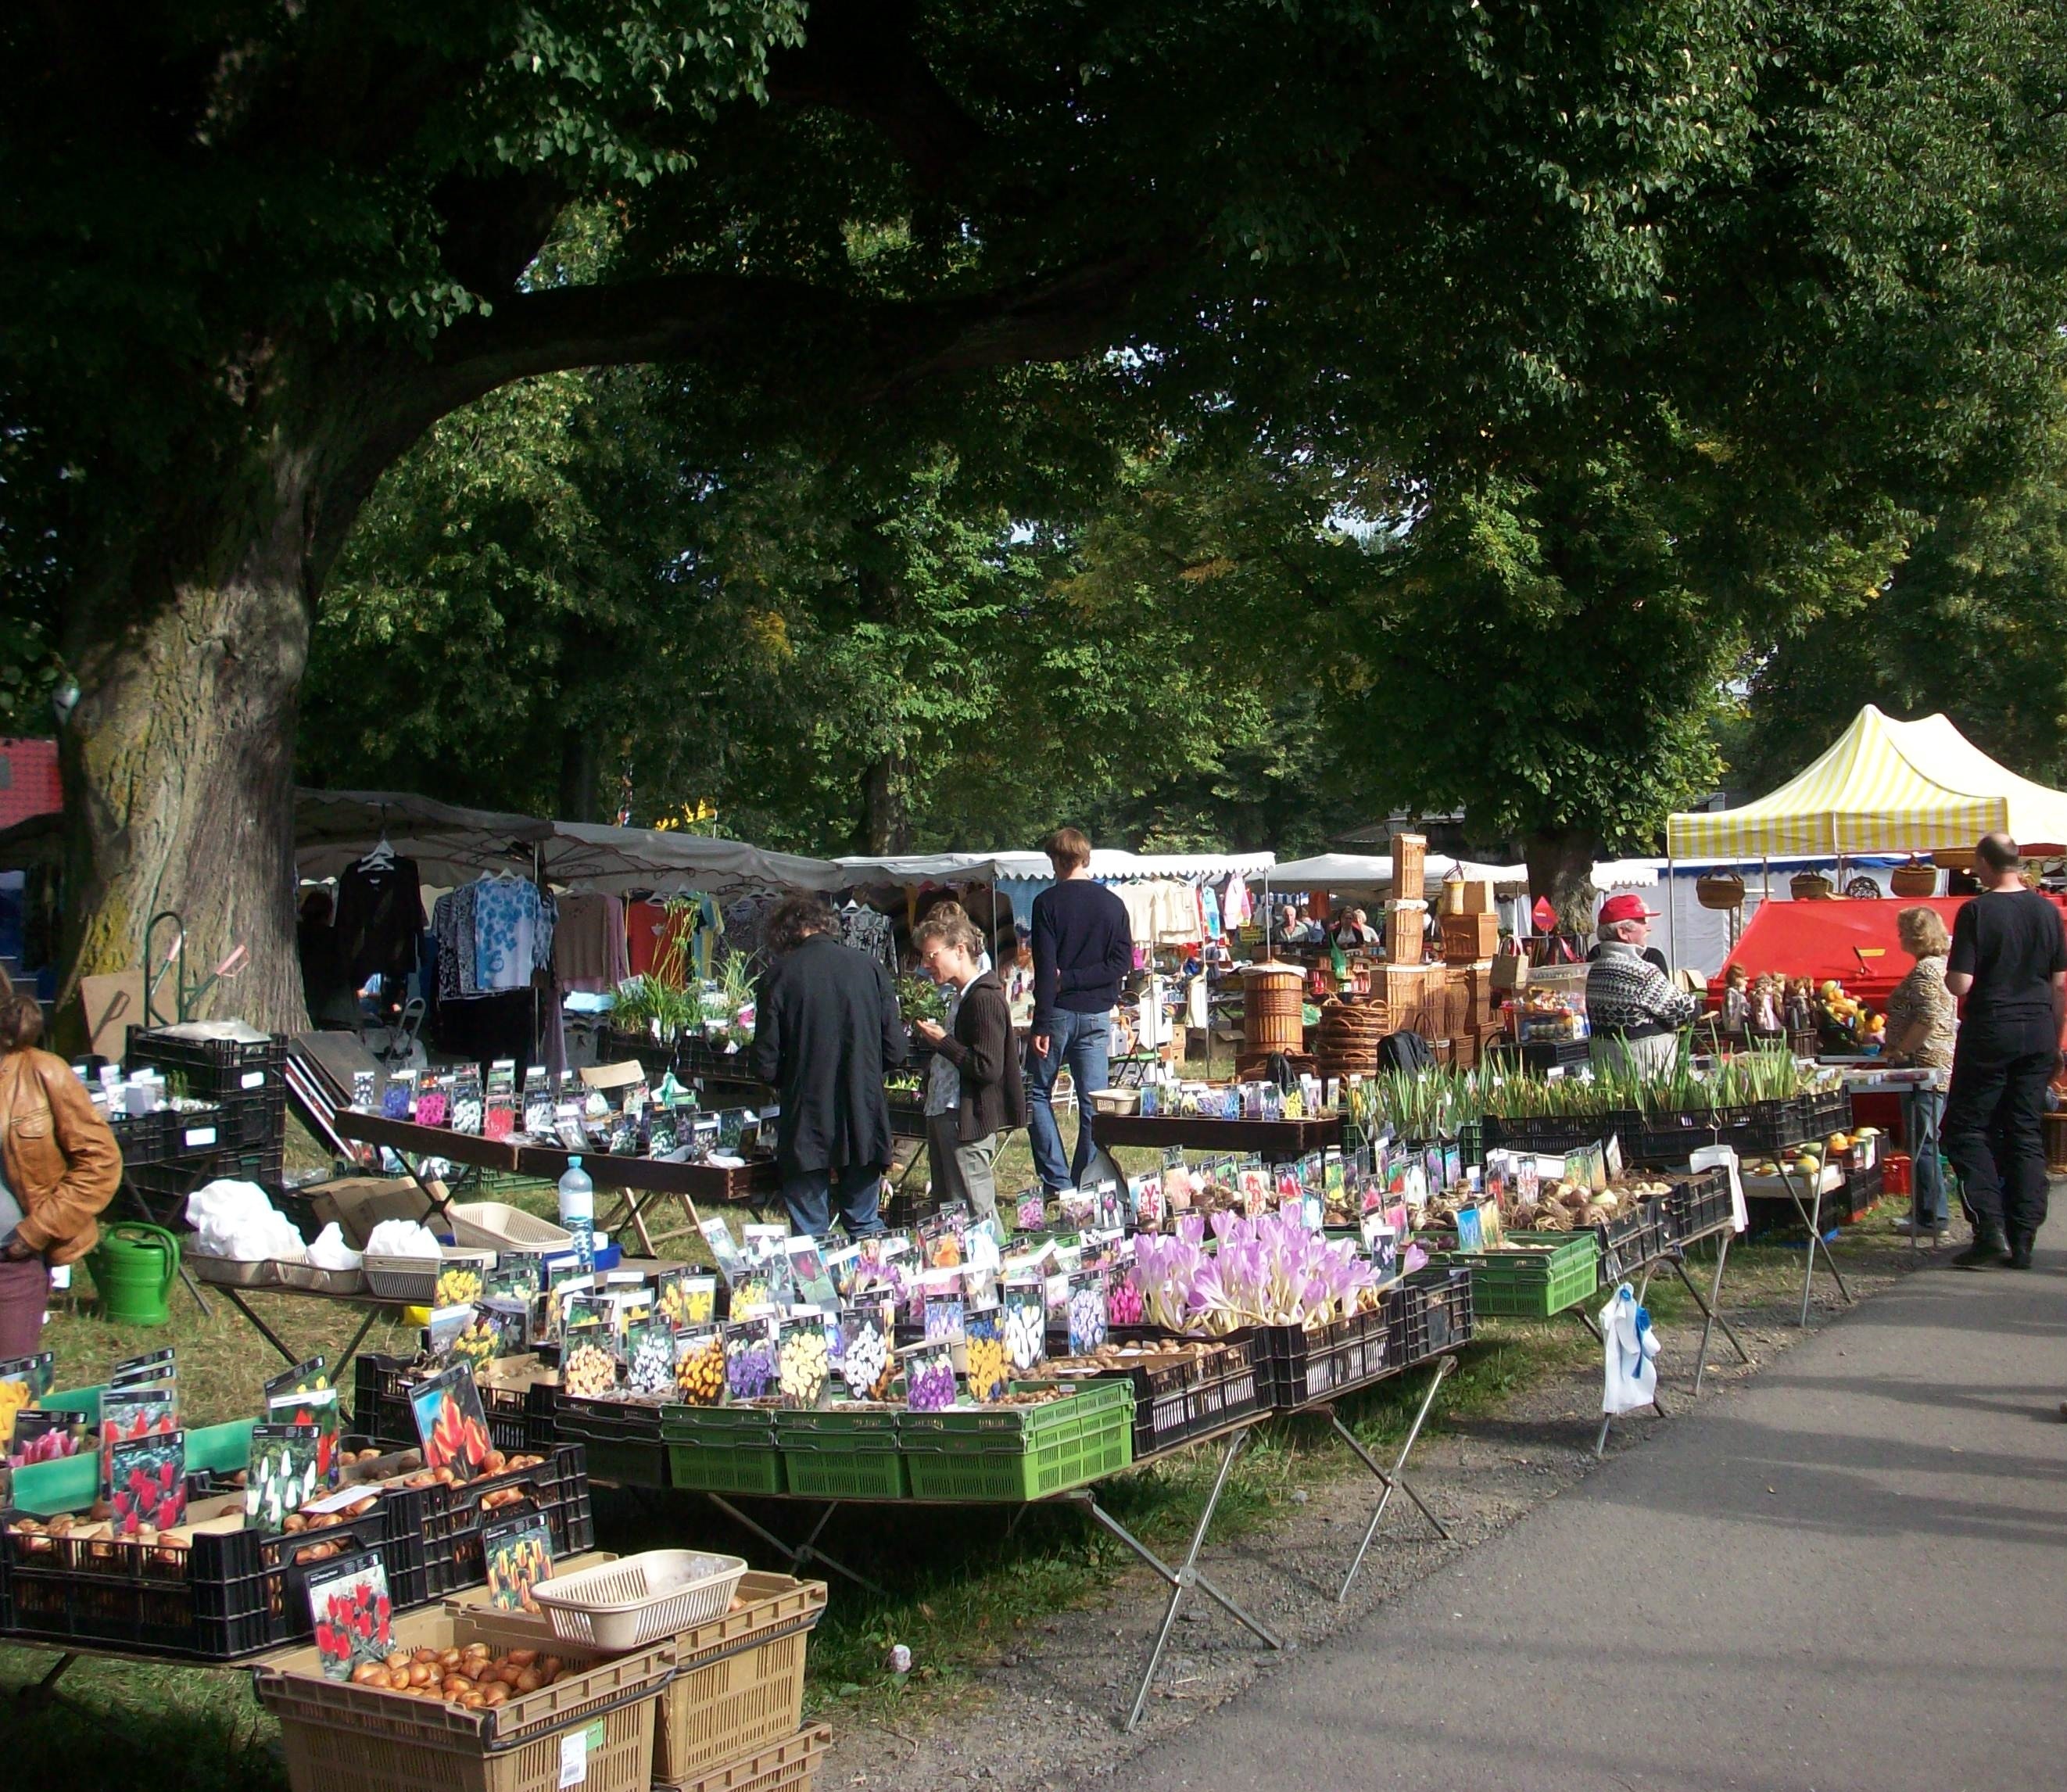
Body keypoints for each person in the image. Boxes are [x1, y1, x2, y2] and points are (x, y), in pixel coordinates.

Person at [1941, 833, 2067, 1270]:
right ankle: (2025, 1234)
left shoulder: (1976, 911)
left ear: (1984, 863)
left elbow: (1961, 983)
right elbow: (2059, 985)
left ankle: (1989, 1228)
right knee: (2025, 1131)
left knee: (1965, 1128)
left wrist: (1949, 971)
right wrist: (2055, 1041)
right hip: (2037, 1029)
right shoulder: (2047, 911)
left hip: (1992, 1028)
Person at [749, 895, 908, 1238]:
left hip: (807, 1114)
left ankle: (815, 1292)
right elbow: (896, 1050)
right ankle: (873, 1287)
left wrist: (793, 1078)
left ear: (789, 932)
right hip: (862, 1112)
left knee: (810, 1233)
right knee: (865, 1224)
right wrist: (863, 1068)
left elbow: (765, 1062)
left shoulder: (779, 975)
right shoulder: (869, 968)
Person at [0, 967, 121, 1355]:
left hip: (10, 1265)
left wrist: (34, 1232)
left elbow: (100, 1162)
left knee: (9, 1398)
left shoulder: (41, 1071)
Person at [1027, 827, 1133, 1193]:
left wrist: (1043, 1015)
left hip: (1056, 1012)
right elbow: (1121, 963)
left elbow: (1045, 969)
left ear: (1057, 860)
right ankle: (1086, 1182)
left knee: (1036, 1093)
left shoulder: (1047, 903)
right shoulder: (1113, 904)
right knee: (1095, 1105)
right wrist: (1077, 979)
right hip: (1096, 1013)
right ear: (1086, 858)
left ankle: (1058, 1182)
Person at [911, 905, 1026, 1231]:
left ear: (959, 950)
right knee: (951, 1212)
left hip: (967, 1120)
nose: (926, 964)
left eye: (931, 955)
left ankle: (998, 1277)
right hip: (947, 1112)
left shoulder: (984, 998)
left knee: (977, 1215)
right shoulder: (962, 996)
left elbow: (988, 1067)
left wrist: (942, 1042)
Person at [1882, 905, 1958, 1238]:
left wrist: (1902, 1049)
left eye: (1902, 932)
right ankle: (1925, 1209)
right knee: (1922, 1139)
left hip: (1924, 1067)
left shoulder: (1927, 971)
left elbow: (1927, 1018)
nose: (1899, 938)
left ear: (1916, 935)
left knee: (1923, 1141)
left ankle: (1932, 1216)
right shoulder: (1938, 967)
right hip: (1928, 1065)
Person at [1585, 893, 1700, 1075]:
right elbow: (1688, 1011)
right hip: (1646, 1073)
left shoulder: (1595, 970)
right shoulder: (1640, 973)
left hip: (1612, 1071)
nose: (1648, 927)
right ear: (1623, 932)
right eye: (1642, 921)